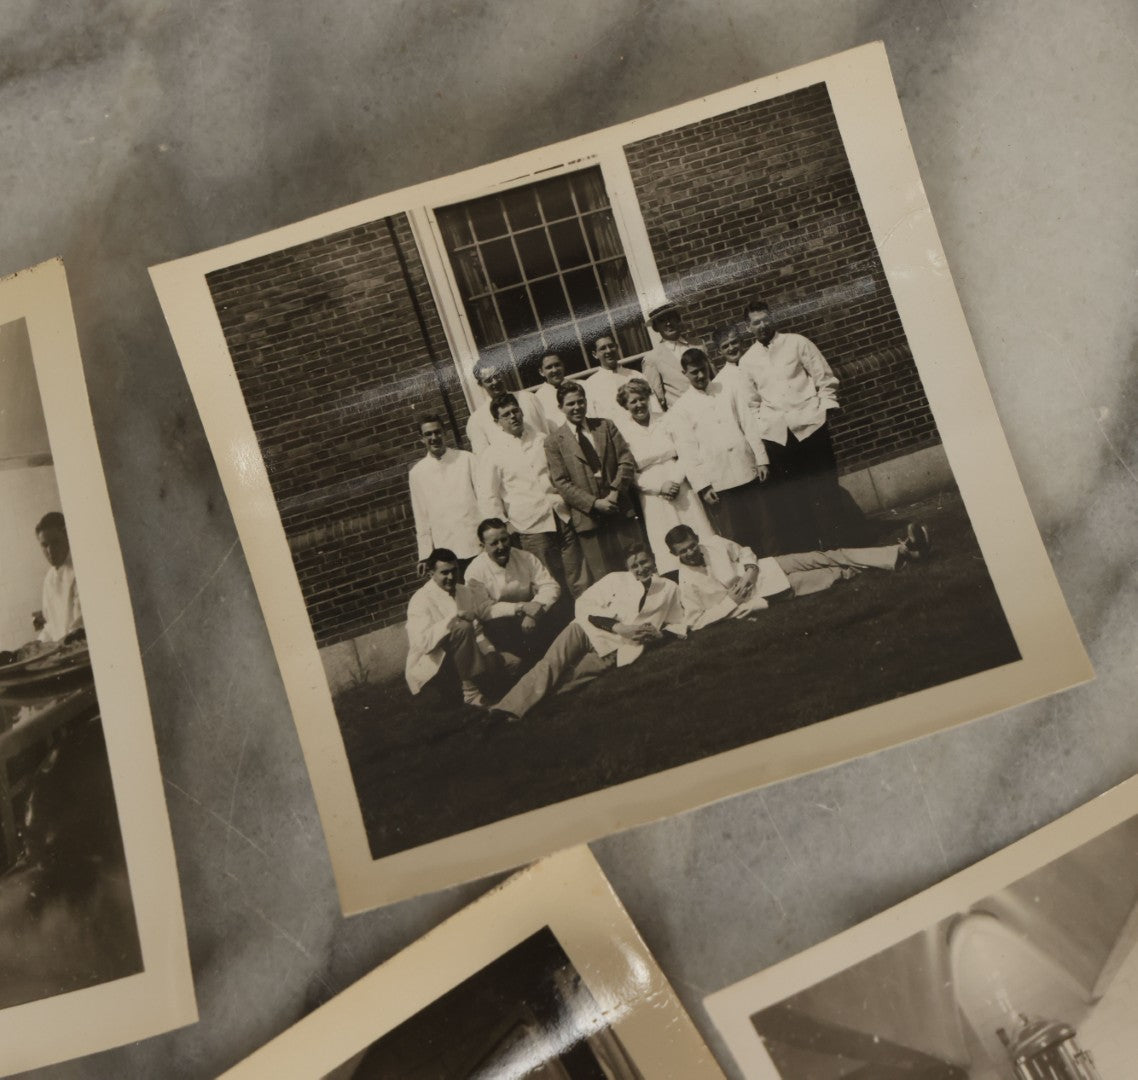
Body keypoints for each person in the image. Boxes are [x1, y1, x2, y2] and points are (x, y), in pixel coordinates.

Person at [489, 543, 686, 721]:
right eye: (635, 566)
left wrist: (661, 636)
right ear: (628, 568)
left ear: (653, 559)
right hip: (585, 629)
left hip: (617, 647)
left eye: (644, 562)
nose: (641, 569)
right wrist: (618, 627)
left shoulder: (669, 589)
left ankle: (529, 709)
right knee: (550, 664)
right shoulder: (615, 579)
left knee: (574, 678)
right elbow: (584, 604)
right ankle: (505, 709)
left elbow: (679, 622)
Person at [737, 298, 853, 551]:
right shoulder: (747, 361)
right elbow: (752, 403)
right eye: (756, 323)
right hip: (779, 436)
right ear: (748, 328)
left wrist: (823, 410)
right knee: (796, 495)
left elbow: (825, 378)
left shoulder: (797, 342)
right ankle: (814, 548)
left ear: (773, 318)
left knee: (825, 486)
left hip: (811, 425)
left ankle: (843, 542)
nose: (763, 326)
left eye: (766, 319)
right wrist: (764, 428)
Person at [665, 522, 932, 629]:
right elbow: (695, 622)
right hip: (772, 591)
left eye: (691, 546)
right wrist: (730, 603)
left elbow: (743, 551)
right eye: (683, 551)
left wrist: (750, 570)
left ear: (696, 539)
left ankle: (902, 549)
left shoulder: (712, 543)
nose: (690, 553)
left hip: (770, 567)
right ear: (673, 553)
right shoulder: (686, 582)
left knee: (830, 555)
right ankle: (905, 556)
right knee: (837, 574)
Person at [667, 347, 777, 555]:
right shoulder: (681, 408)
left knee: (766, 527)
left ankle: (778, 571)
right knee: (735, 536)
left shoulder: (728, 390)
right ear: (685, 374)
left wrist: (761, 459)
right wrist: (703, 486)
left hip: (747, 469)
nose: (700, 375)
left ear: (708, 366)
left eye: (702, 369)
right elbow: (688, 451)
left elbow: (749, 425)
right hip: (719, 481)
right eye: (694, 372)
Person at [477, 392, 585, 596]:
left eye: (515, 411)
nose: (513, 417)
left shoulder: (542, 440)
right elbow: (487, 495)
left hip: (560, 515)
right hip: (529, 525)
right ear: (497, 421)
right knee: (546, 580)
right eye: (506, 415)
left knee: (577, 574)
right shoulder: (493, 454)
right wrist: (503, 524)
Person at [613, 377, 715, 575]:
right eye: (633, 401)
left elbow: (685, 451)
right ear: (625, 405)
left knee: (696, 526)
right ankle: (677, 579)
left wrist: (675, 480)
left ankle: (712, 569)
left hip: (679, 483)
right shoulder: (622, 432)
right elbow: (629, 470)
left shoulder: (666, 419)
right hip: (652, 493)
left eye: (642, 399)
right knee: (664, 536)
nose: (639, 404)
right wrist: (658, 487)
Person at [544, 381, 641, 587]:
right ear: (561, 407)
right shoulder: (554, 441)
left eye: (580, 401)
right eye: (570, 404)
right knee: (605, 577)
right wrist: (594, 503)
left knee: (635, 563)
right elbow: (560, 481)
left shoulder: (605, 426)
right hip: (588, 518)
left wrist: (615, 492)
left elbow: (626, 459)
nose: (577, 407)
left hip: (619, 508)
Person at [404, 548, 512, 708]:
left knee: (510, 664)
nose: (451, 577)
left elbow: (477, 629)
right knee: (462, 627)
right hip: (434, 664)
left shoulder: (465, 591)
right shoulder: (420, 600)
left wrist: (490, 652)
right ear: (431, 574)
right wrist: (455, 615)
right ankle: (471, 693)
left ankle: (481, 678)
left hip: (464, 656)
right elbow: (422, 644)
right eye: (444, 573)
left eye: (454, 571)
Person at [464, 518, 562, 662]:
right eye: (494, 543)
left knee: (556, 609)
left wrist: (535, 609)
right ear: (482, 546)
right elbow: (484, 609)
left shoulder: (525, 557)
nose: (501, 546)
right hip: (501, 622)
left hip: (532, 614)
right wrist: (521, 608)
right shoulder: (475, 571)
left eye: (504, 540)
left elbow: (550, 585)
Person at [407, 414, 481, 578]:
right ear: (421, 439)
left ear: (445, 432)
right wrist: (425, 555)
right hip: (447, 551)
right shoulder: (417, 473)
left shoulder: (466, 459)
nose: (434, 438)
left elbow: (485, 499)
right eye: (428, 434)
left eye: (437, 432)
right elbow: (422, 518)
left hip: (477, 542)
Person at [465, 358, 548, 454]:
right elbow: (483, 457)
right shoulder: (477, 420)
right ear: (480, 384)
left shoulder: (528, 398)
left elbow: (546, 432)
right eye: (488, 380)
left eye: (497, 376)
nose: (495, 382)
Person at [584, 333, 660, 423]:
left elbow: (655, 407)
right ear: (595, 354)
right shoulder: (590, 385)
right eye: (603, 348)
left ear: (617, 348)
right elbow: (591, 418)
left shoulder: (636, 375)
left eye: (611, 346)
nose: (608, 351)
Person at [641, 302, 700, 409]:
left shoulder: (698, 344)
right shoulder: (652, 358)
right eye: (662, 321)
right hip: (683, 415)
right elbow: (657, 399)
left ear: (678, 319)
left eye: (671, 318)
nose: (668, 323)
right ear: (656, 327)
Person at [34, 512, 82, 643]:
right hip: (63, 652)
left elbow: (80, 627)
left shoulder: (80, 570)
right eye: (44, 545)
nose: (50, 551)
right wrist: (38, 644)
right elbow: (51, 625)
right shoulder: (49, 579)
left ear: (67, 536)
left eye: (55, 542)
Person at [532, 352, 569, 430]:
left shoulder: (582, 385)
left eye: (557, 365)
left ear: (563, 365)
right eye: (549, 367)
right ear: (541, 372)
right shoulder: (537, 399)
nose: (555, 370)